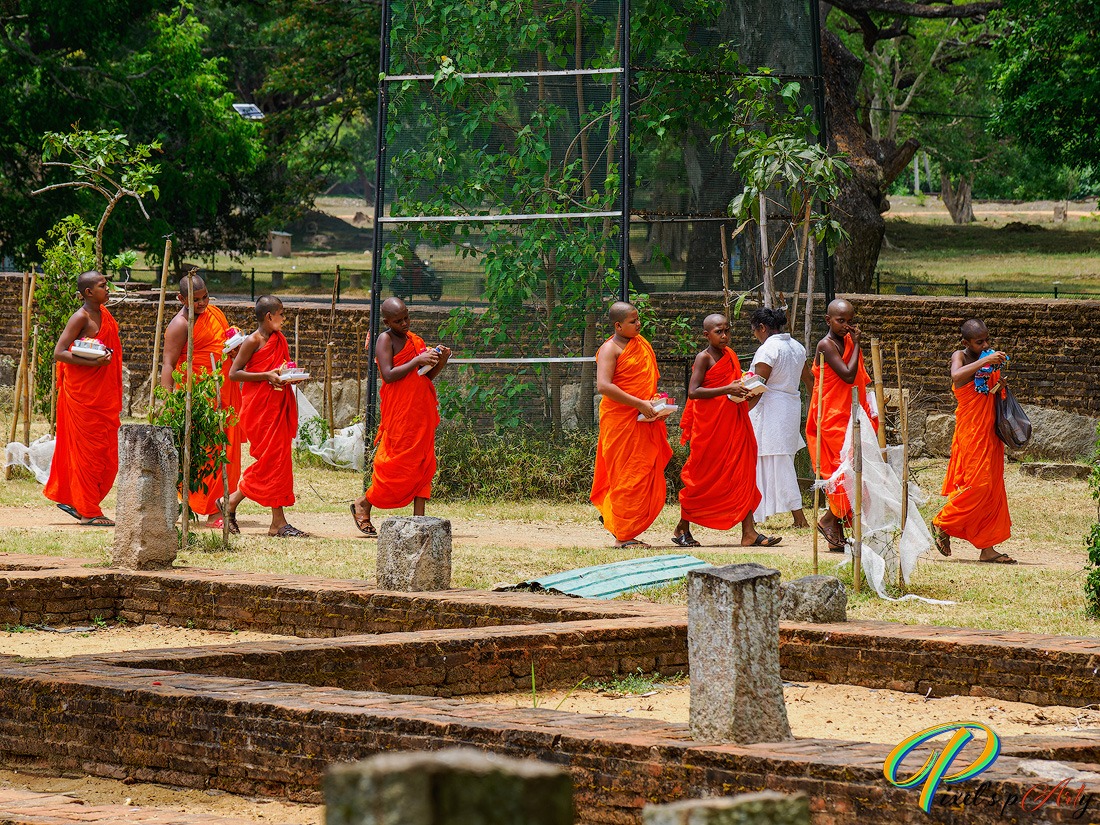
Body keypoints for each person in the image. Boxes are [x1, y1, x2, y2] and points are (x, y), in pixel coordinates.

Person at [675, 313, 779, 548]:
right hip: (710, 428)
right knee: (701, 478)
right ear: (706, 335)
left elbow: (733, 386)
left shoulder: (730, 354)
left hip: (733, 422)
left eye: (727, 331)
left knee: (743, 474)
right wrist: (726, 389)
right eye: (718, 332)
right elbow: (693, 392)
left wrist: (746, 390)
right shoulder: (703, 357)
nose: (724, 336)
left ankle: (749, 532)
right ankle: (682, 527)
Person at [351, 297, 449, 537]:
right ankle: (364, 503)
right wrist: (417, 360)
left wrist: (441, 360)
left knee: (423, 464)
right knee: (394, 466)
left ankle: (419, 520)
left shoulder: (415, 340)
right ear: (387, 322)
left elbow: (424, 376)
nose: (404, 323)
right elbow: (388, 374)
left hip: (421, 411)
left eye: (406, 318)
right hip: (400, 414)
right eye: (398, 321)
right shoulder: (385, 340)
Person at [159, 273, 244, 529]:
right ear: (181, 299)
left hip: (224, 392)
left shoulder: (215, 314)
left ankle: (219, 504)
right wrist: (168, 402)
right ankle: (209, 509)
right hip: (198, 396)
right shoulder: (180, 325)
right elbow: (168, 364)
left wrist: (235, 349)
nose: (203, 303)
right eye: (196, 300)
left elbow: (223, 345)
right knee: (207, 454)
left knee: (226, 452)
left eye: (205, 296)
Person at [590, 301, 673, 548]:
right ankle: (623, 535)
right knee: (626, 476)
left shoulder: (641, 344)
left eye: (638, 319)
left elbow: (645, 384)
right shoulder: (610, 349)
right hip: (620, 421)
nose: (639, 324)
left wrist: (655, 405)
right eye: (633, 321)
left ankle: (622, 527)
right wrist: (639, 404)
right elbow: (604, 386)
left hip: (643, 419)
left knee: (643, 475)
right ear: (618, 326)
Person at [932, 319, 1015, 563]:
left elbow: (987, 392)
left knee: (993, 489)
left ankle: (987, 548)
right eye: (980, 342)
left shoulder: (987, 359)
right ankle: (942, 521)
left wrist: (998, 384)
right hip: (971, 432)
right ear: (966, 342)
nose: (986, 345)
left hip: (990, 431)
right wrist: (984, 362)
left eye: (987, 340)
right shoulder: (960, 356)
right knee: (978, 485)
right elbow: (957, 376)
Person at [224, 295, 307, 538]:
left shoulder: (279, 339)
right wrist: (266, 376)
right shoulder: (253, 340)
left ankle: (276, 522)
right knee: (270, 462)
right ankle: (232, 502)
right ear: (269, 316)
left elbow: (280, 367)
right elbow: (234, 373)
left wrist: (287, 375)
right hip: (259, 409)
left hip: (277, 405)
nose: (284, 318)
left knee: (278, 463)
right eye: (281, 314)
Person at [44, 270, 123, 526]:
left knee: (108, 456)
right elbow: (59, 352)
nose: (107, 289)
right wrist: (93, 363)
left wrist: (101, 360)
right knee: (86, 455)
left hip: (103, 397)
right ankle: (89, 511)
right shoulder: (80, 317)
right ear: (88, 292)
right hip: (82, 397)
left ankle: (81, 502)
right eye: (102, 286)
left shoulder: (105, 314)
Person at [806, 298, 878, 551]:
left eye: (850, 321)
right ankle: (829, 519)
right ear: (828, 320)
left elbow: (859, 378)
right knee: (843, 470)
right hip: (831, 415)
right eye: (840, 320)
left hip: (849, 412)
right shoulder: (825, 344)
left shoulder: (847, 341)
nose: (846, 325)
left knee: (856, 470)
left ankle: (833, 523)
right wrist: (856, 343)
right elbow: (848, 375)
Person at [748, 307, 813, 528]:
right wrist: (815, 406)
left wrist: (741, 409)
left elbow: (758, 386)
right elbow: (809, 380)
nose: (755, 335)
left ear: (762, 328)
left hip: (770, 411)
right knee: (768, 462)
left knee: (780, 464)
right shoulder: (797, 346)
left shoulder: (768, 349)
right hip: (789, 408)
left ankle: (800, 518)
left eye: (754, 331)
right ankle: (755, 515)